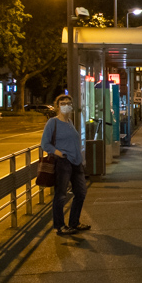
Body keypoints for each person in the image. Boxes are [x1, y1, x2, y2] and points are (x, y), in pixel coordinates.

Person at [41, 94, 89, 236]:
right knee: (60, 195)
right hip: (63, 162)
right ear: (57, 106)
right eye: (63, 103)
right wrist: (59, 153)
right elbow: (45, 144)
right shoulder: (52, 122)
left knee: (81, 193)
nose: (66, 105)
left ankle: (74, 222)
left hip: (76, 162)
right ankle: (60, 226)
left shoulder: (70, 122)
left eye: (68, 102)